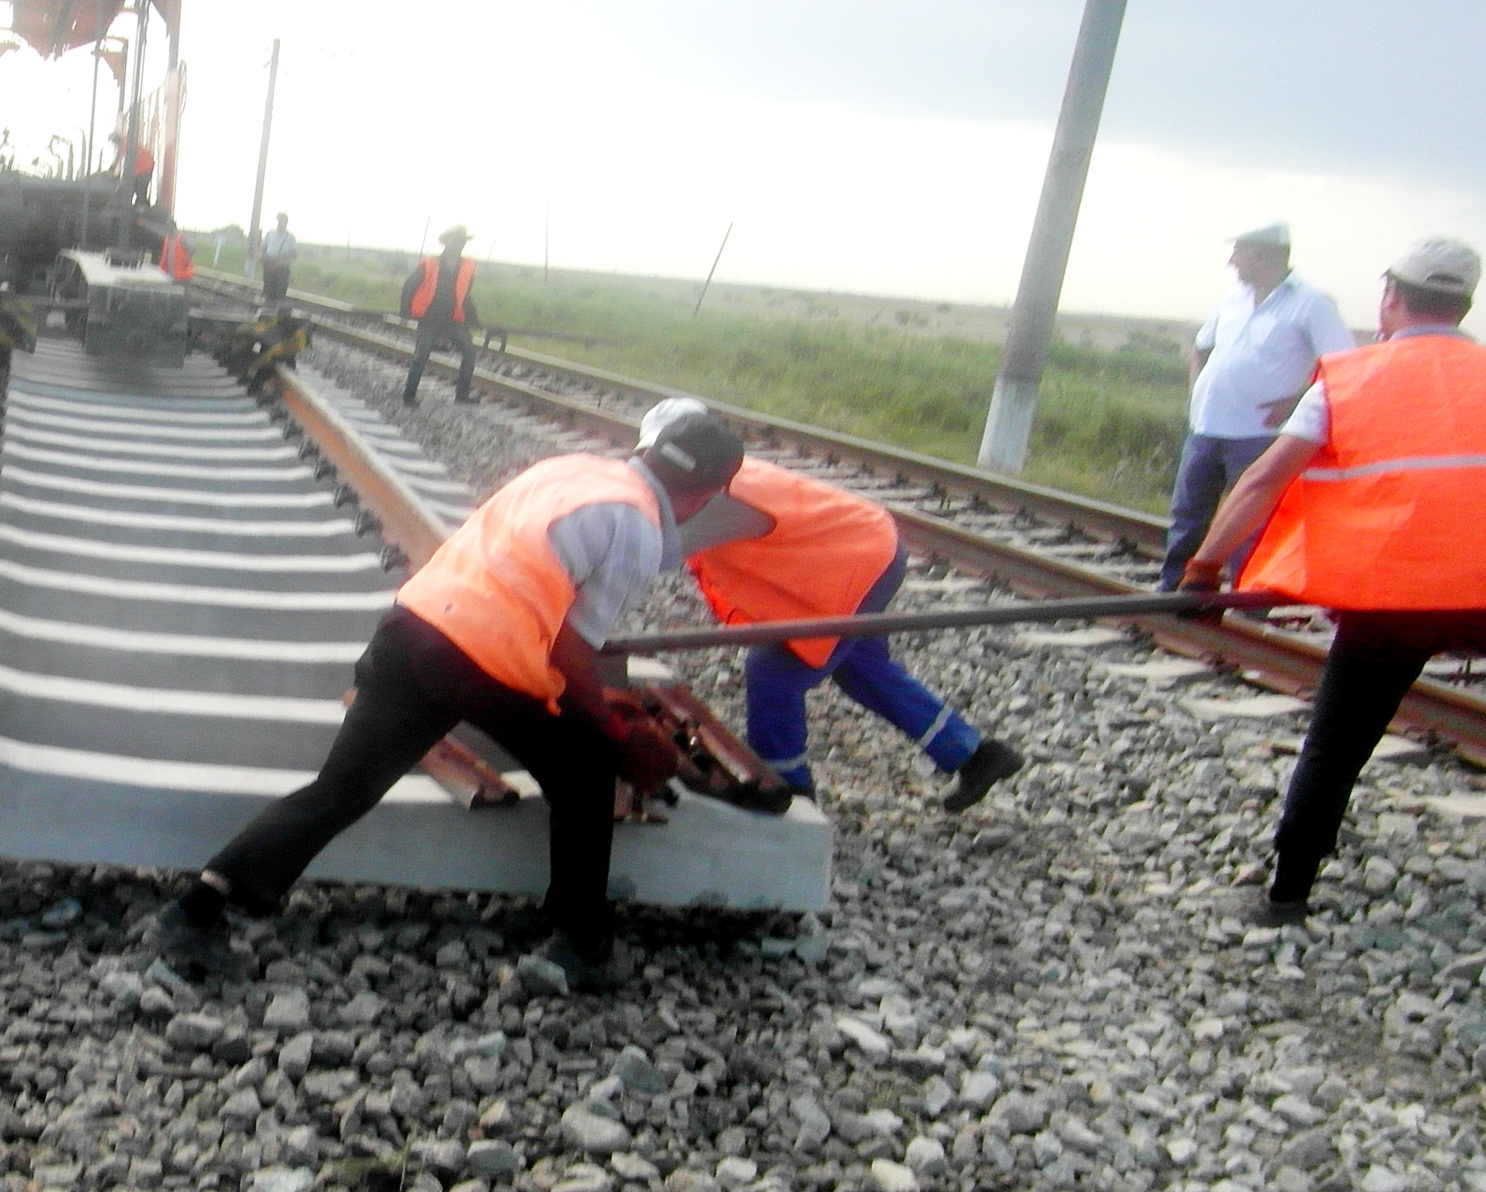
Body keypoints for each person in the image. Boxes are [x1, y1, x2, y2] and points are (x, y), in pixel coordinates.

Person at [149, 409, 750, 991]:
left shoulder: (570, 470)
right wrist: (611, 726)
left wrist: (593, 702)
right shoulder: (636, 522)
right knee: (586, 771)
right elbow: (573, 649)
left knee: (341, 788)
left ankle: (196, 912)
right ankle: (581, 943)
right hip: (482, 658)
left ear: (649, 451)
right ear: (701, 495)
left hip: (413, 627)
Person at [1182, 237, 1486, 927]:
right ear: (1463, 306)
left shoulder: (1348, 379)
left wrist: (1203, 571)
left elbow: (1264, 477)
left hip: (1393, 602)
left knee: (1336, 747)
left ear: (1391, 299)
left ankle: (1287, 895)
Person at [648, 398, 1024, 811]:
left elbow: (651, 551)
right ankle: (975, 756)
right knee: (861, 667)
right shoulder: (718, 477)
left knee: (774, 670)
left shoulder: (717, 500)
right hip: (853, 560)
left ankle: (786, 789)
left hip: (857, 566)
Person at [1160, 223, 1352, 588]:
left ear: (1266, 255)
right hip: (1204, 426)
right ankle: (1173, 588)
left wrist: (1296, 404)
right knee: (1188, 516)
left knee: (1250, 525)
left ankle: (1245, 601)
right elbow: (1201, 347)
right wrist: (1197, 390)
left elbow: (1341, 366)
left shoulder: (1311, 303)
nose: (1232, 261)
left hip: (1257, 432)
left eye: (1240, 252)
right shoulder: (1232, 300)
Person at [400, 225, 480, 406]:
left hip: (453, 320)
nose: (458, 244)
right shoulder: (430, 263)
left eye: (461, 241)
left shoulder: (466, 267)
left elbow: (465, 295)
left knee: (469, 351)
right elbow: (409, 286)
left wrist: (474, 318)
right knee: (422, 354)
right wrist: (405, 312)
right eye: (455, 240)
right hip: (429, 318)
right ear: (447, 242)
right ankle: (409, 396)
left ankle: (462, 396)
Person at [259, 212, 298, 311]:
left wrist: (279, 257)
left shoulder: (290, 237)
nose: (281, 223)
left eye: (284, 221)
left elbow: (294, 254)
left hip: (282, 268)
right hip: (269, 267)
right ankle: (266, 310)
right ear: (277, 221)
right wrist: (263, 258)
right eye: (280, 220)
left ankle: (276, 312)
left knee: (280, 292)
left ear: (286, 222)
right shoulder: (270, 233)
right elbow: (263, 248)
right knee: (268, 291)